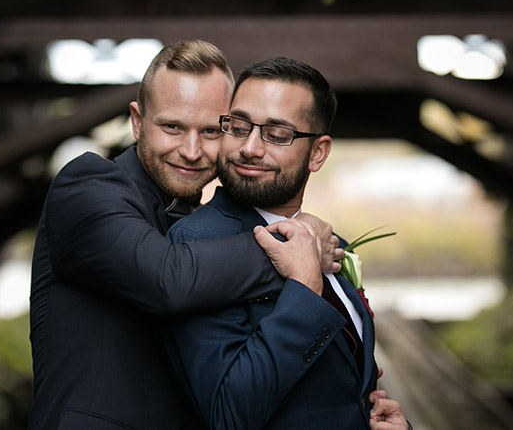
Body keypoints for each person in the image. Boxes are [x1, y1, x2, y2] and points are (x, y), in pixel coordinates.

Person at [28, 41, 341, 429]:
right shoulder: (86, 187)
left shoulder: (212, 226)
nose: (191, 151)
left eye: (211, 130)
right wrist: (297, 247)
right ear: (138, 122)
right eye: (173, 127)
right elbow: (167, 280)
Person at [164, 57, 411, 430]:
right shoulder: (194, 244)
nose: (249, 147)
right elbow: (228, 416)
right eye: (239, 126)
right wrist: (304, 288)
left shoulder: (332, 244)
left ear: (318, 153)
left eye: (277, 134)